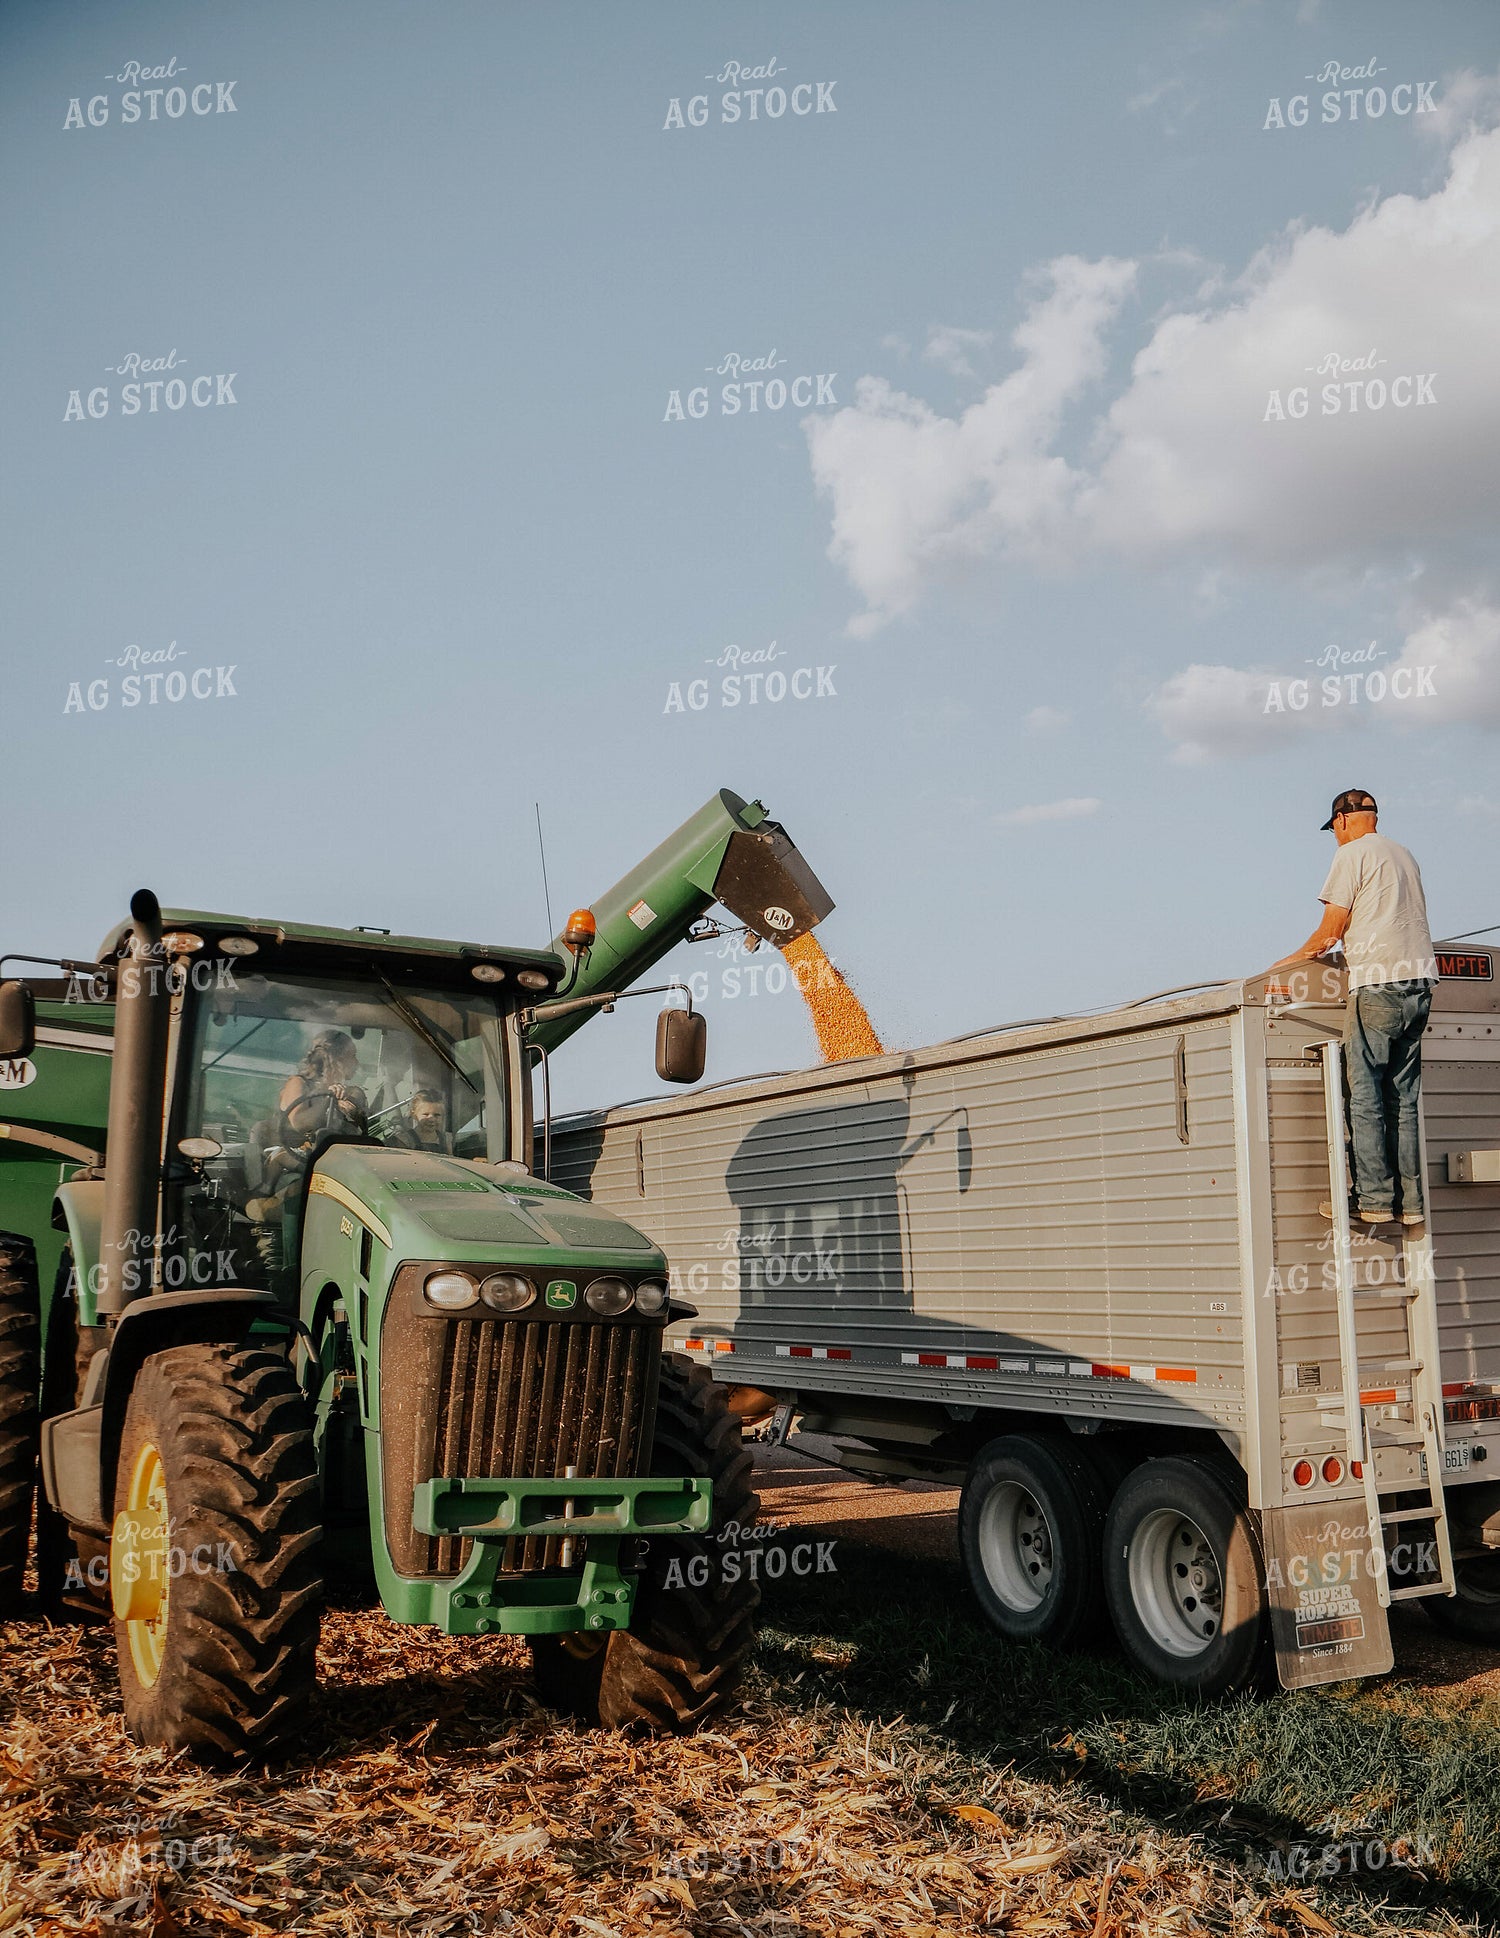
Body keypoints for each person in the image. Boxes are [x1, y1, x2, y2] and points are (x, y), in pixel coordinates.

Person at [1271, 788, 1437, 1226]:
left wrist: (1283, 967)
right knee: (1402, 1098)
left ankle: (1374, 1200)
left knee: (1363, 1094)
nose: (1336, 837)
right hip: (1420, 983)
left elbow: (1331, 930)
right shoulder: (1404, 855)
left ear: (1342, 820)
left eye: (1333, 830)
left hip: (1378, 983)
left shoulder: (1351, 855)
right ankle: (1410, 1203)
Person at [245, 1029, 368, 1226]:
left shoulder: (341, 1090)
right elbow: (300, 1123)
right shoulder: (298, 1083)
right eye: (352, 1056)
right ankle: (267, 1206)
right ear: (336, 1059)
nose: (357, 1062)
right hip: (294, 1158)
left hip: (326, 1159)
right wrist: (326, 1097)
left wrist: (345, 1105)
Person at [381, 1086, 449, 1152]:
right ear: (413, 1114)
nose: (431, 1119)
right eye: (426, 1114)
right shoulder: (404, 1140)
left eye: (437, 1115)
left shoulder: (447, 1141)